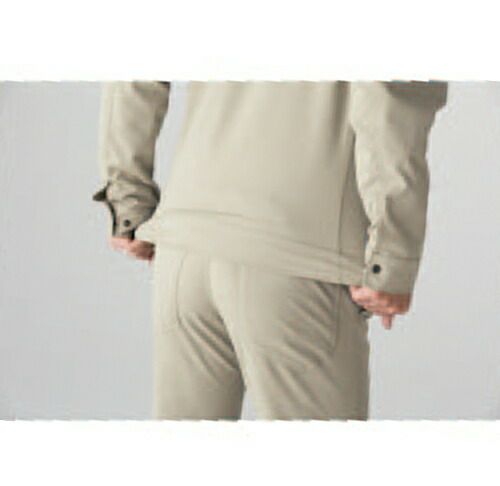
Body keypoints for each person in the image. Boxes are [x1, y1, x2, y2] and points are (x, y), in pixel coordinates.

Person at [93, 81, 447, 420]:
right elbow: (388, 98)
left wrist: (127, 200)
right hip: (298, 254)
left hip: (185, 249)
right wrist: (392, 254)